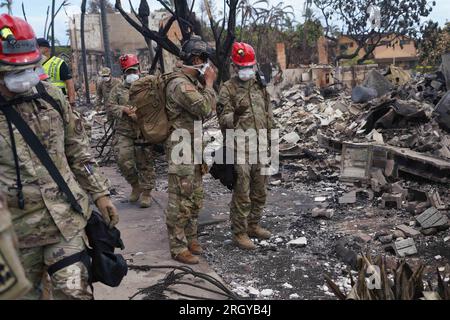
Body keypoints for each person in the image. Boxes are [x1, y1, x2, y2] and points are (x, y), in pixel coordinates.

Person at [0, 14, 119, 299]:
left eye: (30, 66)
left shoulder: (52, 97)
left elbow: (79, 151)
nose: (25, 76)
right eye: (13, 70)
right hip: (14, 234)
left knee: (75, 292)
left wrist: (101, 194)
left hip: (64, 219)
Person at [164, 35, 217, 264]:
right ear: (196, 59)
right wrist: (210, 84)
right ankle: (177, 246)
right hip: (181, 147)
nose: (207, 65)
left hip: (193, 146)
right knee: (180, 199)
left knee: (194, 196)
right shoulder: (180, 84)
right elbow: (205, 108)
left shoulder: (190, 83)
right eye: (204, 59)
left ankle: (191, 237)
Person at [217, 42, 274, 250]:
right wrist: (236, 115)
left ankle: (253, 225)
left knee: (260, 191)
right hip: (239, 148)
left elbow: (268, 113)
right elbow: (223, 120)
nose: (246, 71)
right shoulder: (227, 89)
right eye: (242, 67)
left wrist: (273, 139)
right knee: (242, 192)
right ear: (234, 66)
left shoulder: (259, 85)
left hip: (261, 146)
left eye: (249, 66)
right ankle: (239, 233)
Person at [107, 54, 155, 208]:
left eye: (133, 71)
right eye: (128, 72)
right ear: (123, 73)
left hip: (143, 131)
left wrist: (141, 113)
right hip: (124, 130)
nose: (131, 74)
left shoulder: (148, 86)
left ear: (139, 70)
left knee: (145, 162)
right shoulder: (117, 89)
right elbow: (110, 106)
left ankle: (147, 192)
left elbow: (156, 104)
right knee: (123, 159)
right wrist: (124, 110)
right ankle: (135, 185)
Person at [37, 38, 76, 107]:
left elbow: (69, 82)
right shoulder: (35, 65)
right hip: (43, 102)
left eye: (38, 48)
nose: (35, 50)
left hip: (60, 101)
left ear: (46, 49)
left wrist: (71, 102)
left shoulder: (59, 63)